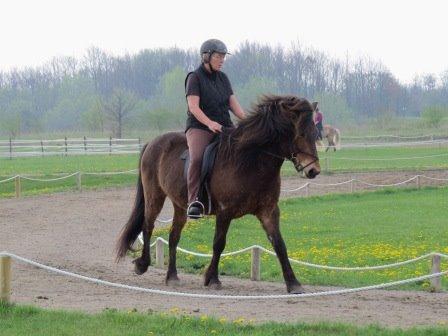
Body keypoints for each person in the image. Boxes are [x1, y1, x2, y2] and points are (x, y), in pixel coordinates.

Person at [185, 39, 245, 219]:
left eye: (223, 57)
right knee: (196, 158)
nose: (222, 60)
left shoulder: (223, 78)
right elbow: (194, 107)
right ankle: (194, 201)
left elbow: (234, 106)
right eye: (218, 56)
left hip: (225, 127)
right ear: (206, 56)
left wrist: (249, 121)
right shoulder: (194, 77)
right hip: (200, 128)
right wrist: (210, 123)